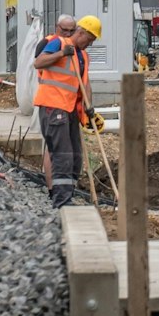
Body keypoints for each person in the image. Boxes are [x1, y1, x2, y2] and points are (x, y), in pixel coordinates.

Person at [32, 14, 100, 208]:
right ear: (81, 32)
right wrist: (62, 54)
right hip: (53, 107)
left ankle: (67, 195)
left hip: (70, 110)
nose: (90, 44)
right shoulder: (58, 43)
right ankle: (61, 201)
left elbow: (85, 83)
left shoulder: (84, 55)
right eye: (90, 39)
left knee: (75, 156)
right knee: (62, 154)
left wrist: (89, 107)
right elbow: (38, 62)